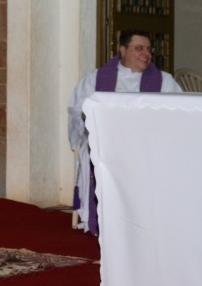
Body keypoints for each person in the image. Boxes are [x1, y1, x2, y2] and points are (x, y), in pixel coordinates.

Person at [67, 30, 182, 234]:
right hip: (107, 145)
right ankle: (106, 219)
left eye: (148, 49)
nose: (145, 54)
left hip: (148, 146)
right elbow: (78, 110)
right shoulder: (96, 79)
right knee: (96, 152)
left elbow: (178, 113)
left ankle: (149, 219)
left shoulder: (164, 81)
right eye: (139, 48)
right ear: (122, 50)